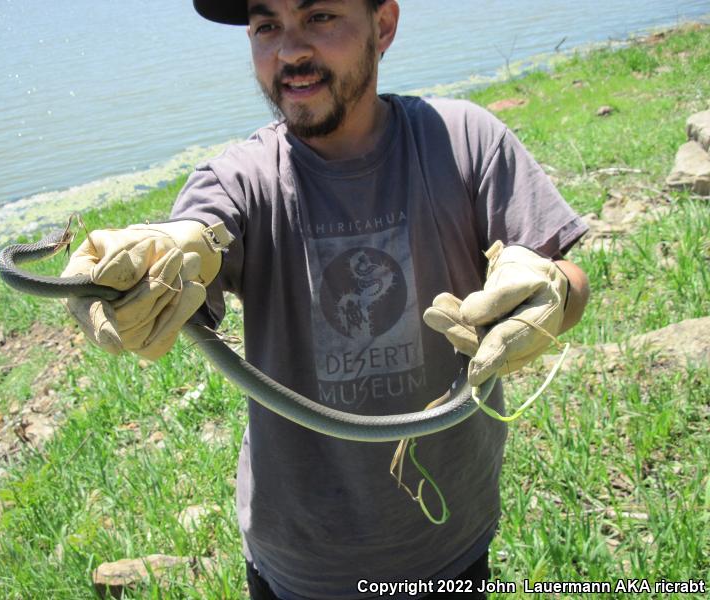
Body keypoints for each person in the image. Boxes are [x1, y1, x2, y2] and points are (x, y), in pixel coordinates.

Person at [62, 1, 590, 598]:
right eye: (267, 27)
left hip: (450, 543)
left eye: (318, 16)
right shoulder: (240, 179)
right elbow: (192, 245)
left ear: (382, 25)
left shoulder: (466, 141)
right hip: (299, 566)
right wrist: (146, 267)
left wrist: (553, 295)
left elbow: (567, 274)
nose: (290, 51)